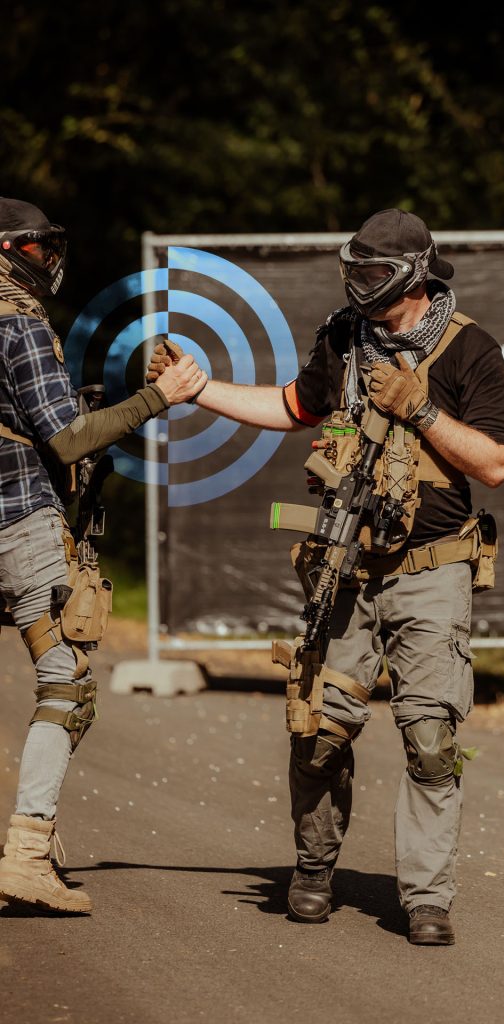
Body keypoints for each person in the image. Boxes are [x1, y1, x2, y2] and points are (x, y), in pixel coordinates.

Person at [147, 208, 504, 944]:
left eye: (375, 274)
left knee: (431, 738)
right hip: (345, 568)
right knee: (317, 729)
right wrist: (198, 390)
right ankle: (313, 867)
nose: (359, 286)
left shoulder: (471, 347)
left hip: (432, 570)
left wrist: (422, 409)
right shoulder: (345, 337)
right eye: (354, 269)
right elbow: (291, 406)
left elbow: (495, 464)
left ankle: (426, 899)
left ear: (414, 276)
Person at [0, 196, 207, 914]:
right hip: (22, 528)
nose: (47, 261)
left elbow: (38, 414)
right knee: (67, 683)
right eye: (35, 248)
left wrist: (123, 392)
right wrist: (158, 395)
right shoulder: (19, 325)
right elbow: (62, 440)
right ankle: (27, 853)